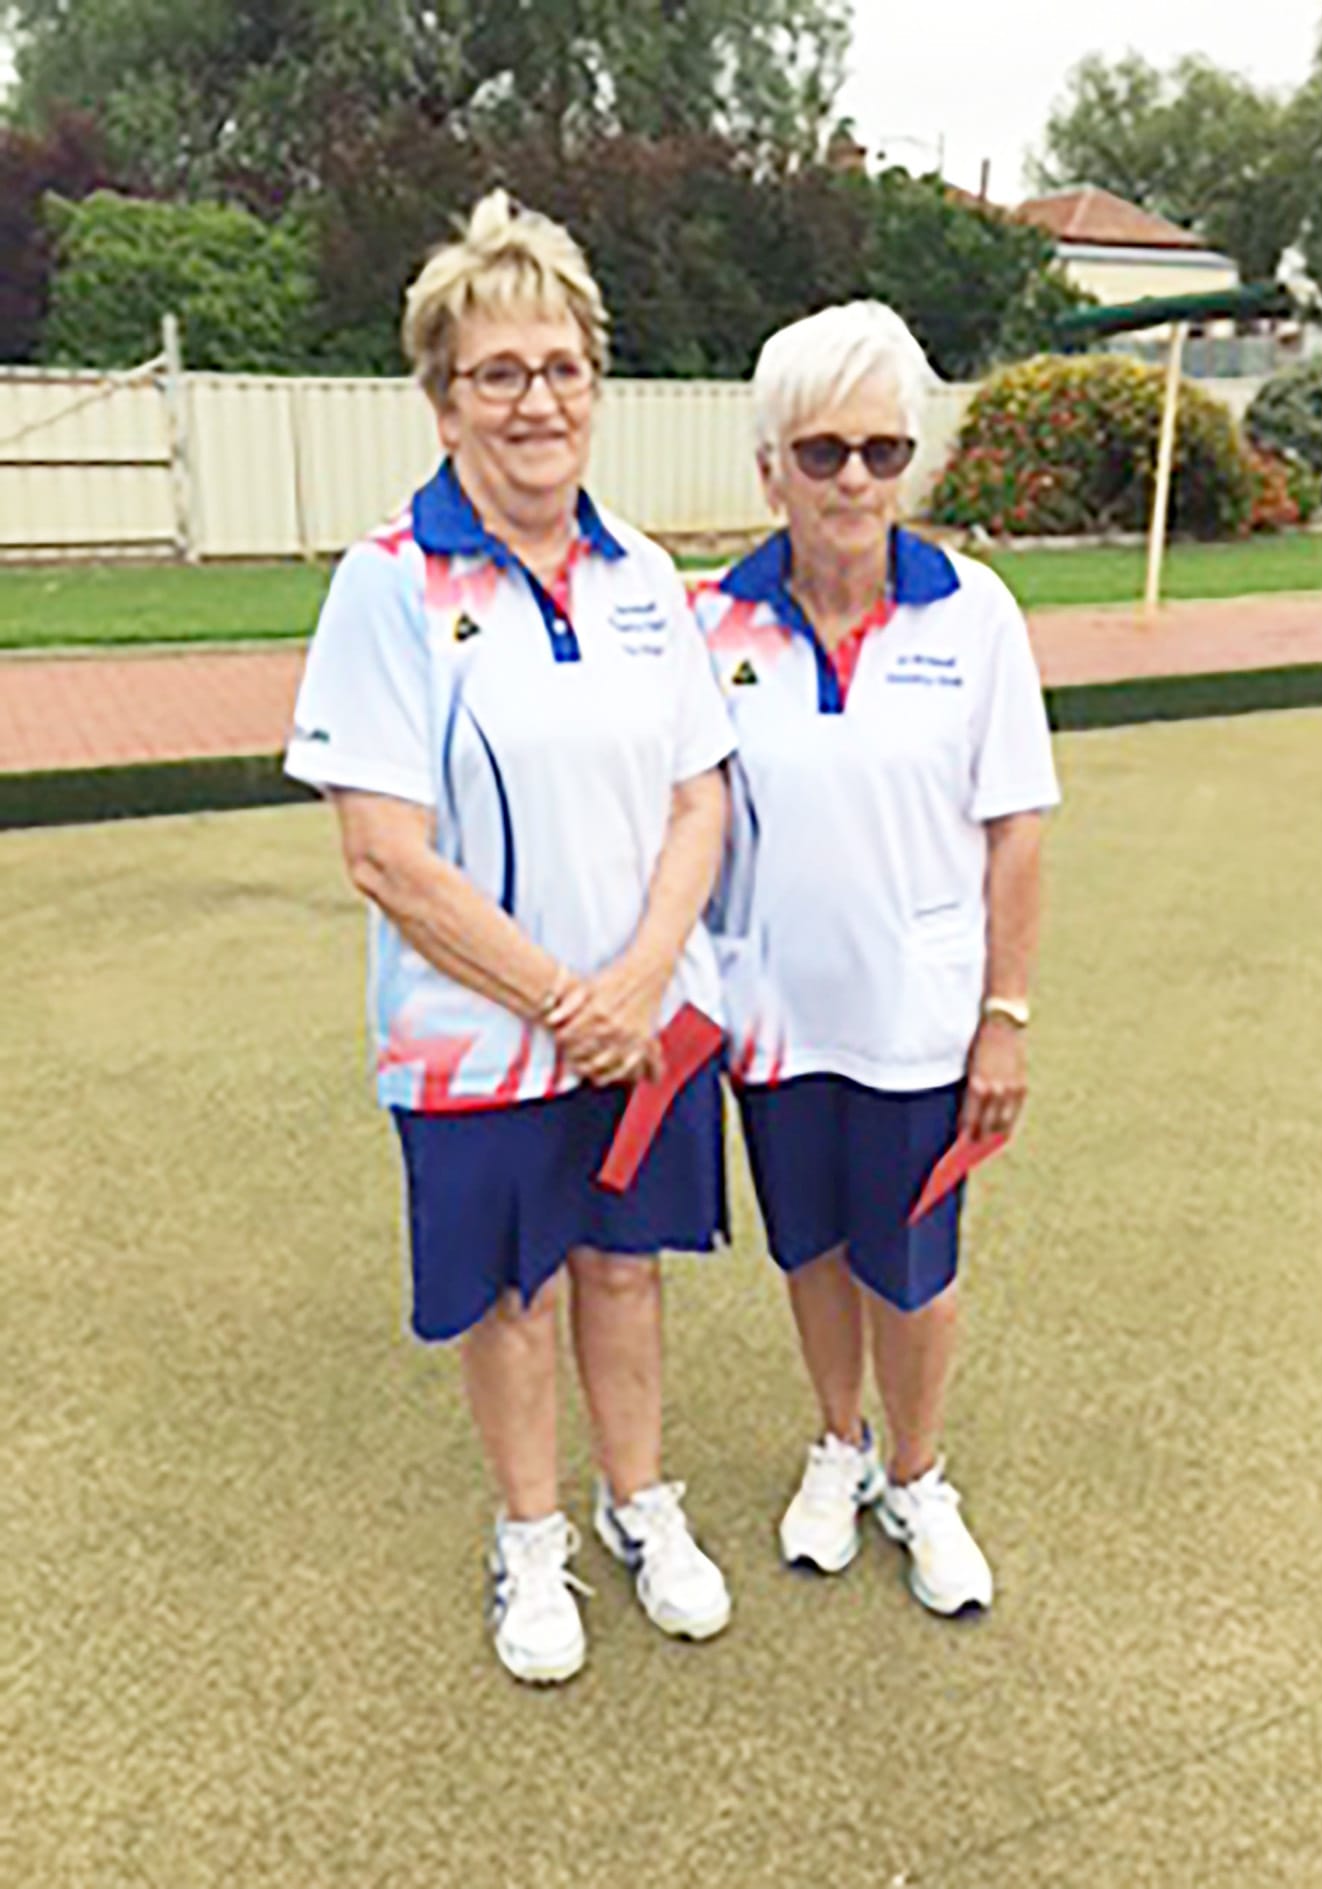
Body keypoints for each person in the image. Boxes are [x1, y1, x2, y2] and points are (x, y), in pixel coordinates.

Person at [285, 191, 736, 1685]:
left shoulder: (646, 580)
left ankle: (638, 1504)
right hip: (479, 1039)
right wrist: (562, 997)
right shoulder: (386, 583)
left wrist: (638, 981)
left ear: (594, 385)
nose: (535, 399)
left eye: (560, 366)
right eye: (499, 372)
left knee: (622, 1268)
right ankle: (529, 1537)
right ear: (441, 396)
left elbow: (698, 798)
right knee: (512, 1291)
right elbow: (384, 854)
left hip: (638, 1019)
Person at [694, 301, 1059, 1616]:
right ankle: (836, 1444)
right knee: (811, 1247)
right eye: (823, 450)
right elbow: (685, 820)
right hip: (772, 1016)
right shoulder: (709, 622)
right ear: (768, 465)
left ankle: (916, 1471)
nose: (854, 479)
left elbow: (1015, 827)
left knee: (914, 1262)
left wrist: (1001, 1016)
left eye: (884, 451)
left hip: (921, 1013)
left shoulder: (974, 614)